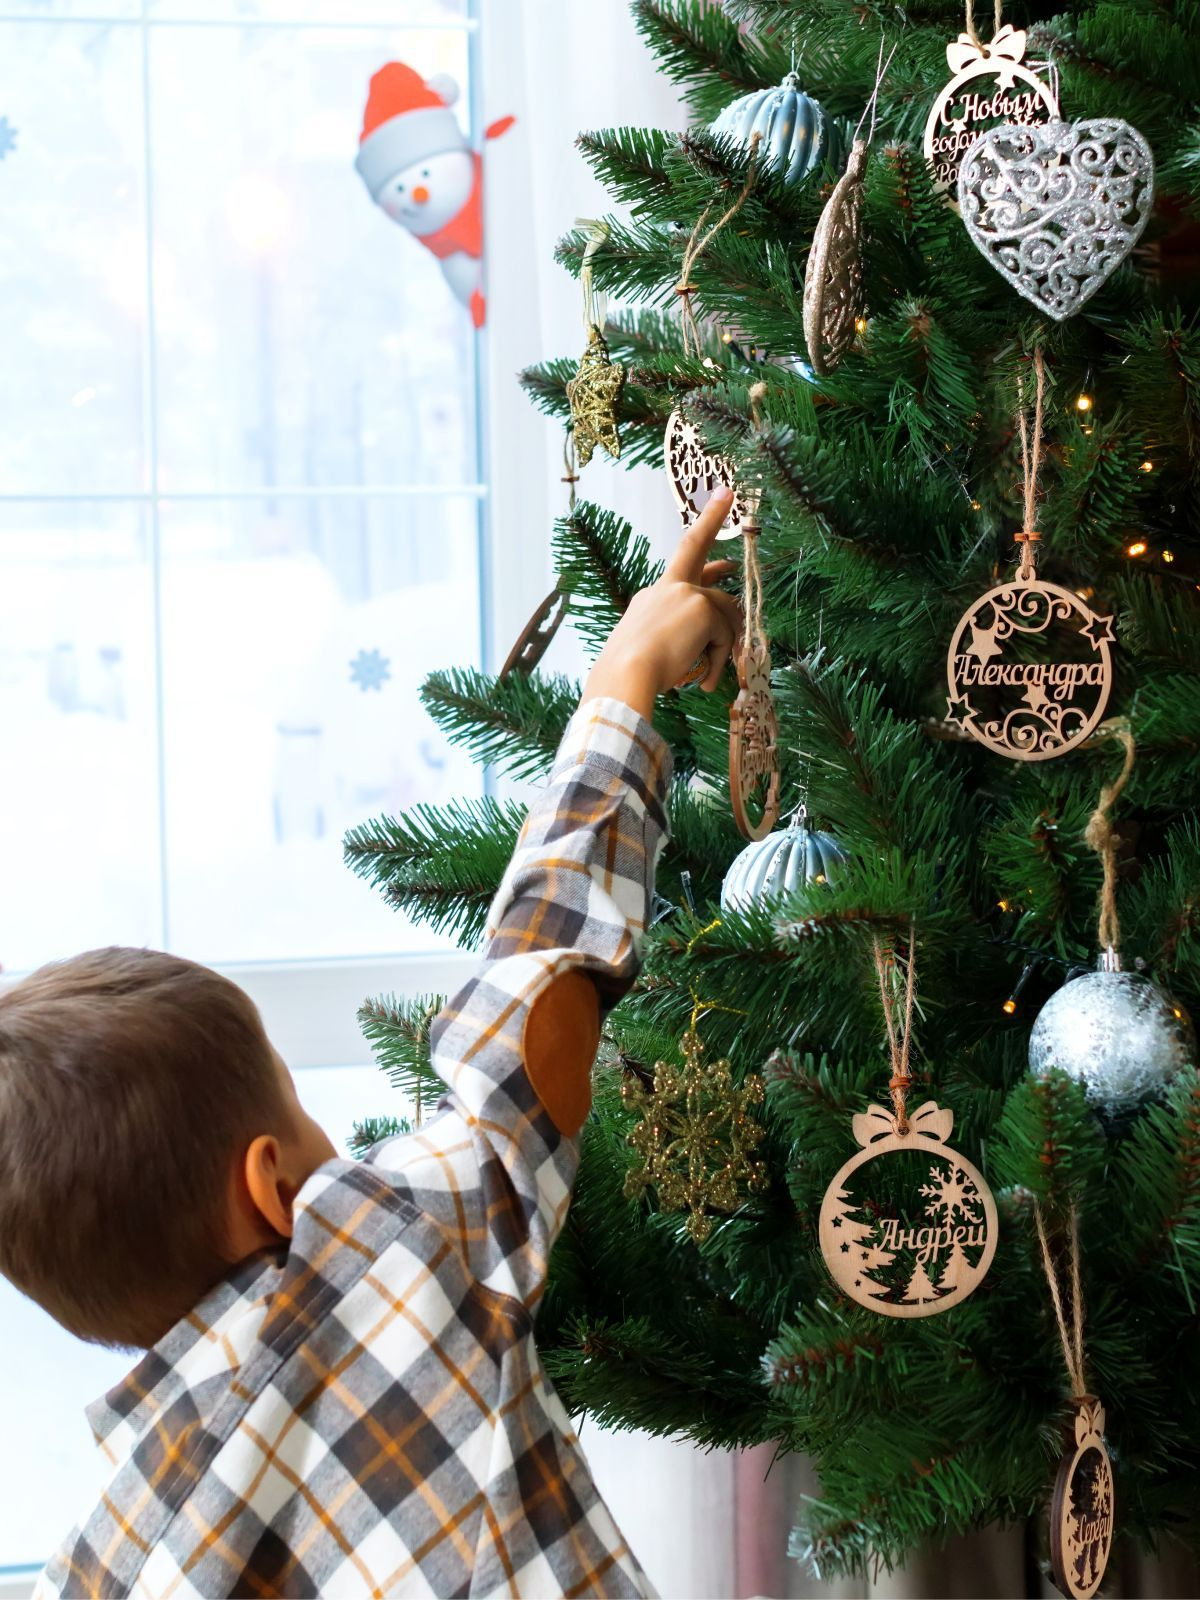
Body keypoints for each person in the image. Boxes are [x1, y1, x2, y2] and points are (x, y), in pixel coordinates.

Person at [6, 489, 742, 1599]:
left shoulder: (107, 1562)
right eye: (304, 1114)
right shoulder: (383, 1256)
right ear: (271, 1185)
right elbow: (531, 993)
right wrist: (624, 680)